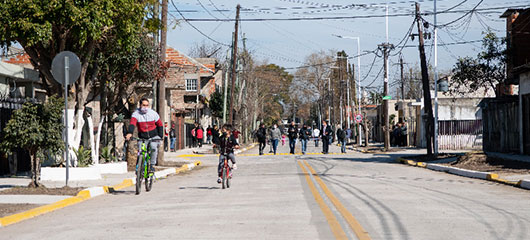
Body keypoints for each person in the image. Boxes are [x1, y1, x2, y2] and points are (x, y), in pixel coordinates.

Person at [125, 98, 163, 173]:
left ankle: (152, 165)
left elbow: (160, 125)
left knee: (153, 147)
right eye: (143, 105)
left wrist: (160, 136)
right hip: (142, 136)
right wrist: (130, 132)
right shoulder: (136, 114)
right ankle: (139, 166)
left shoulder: (153, 113)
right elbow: (132, 123)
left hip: (154, 136)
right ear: (140, 105)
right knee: (141, 150)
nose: (145, 107)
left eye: (147, 105)